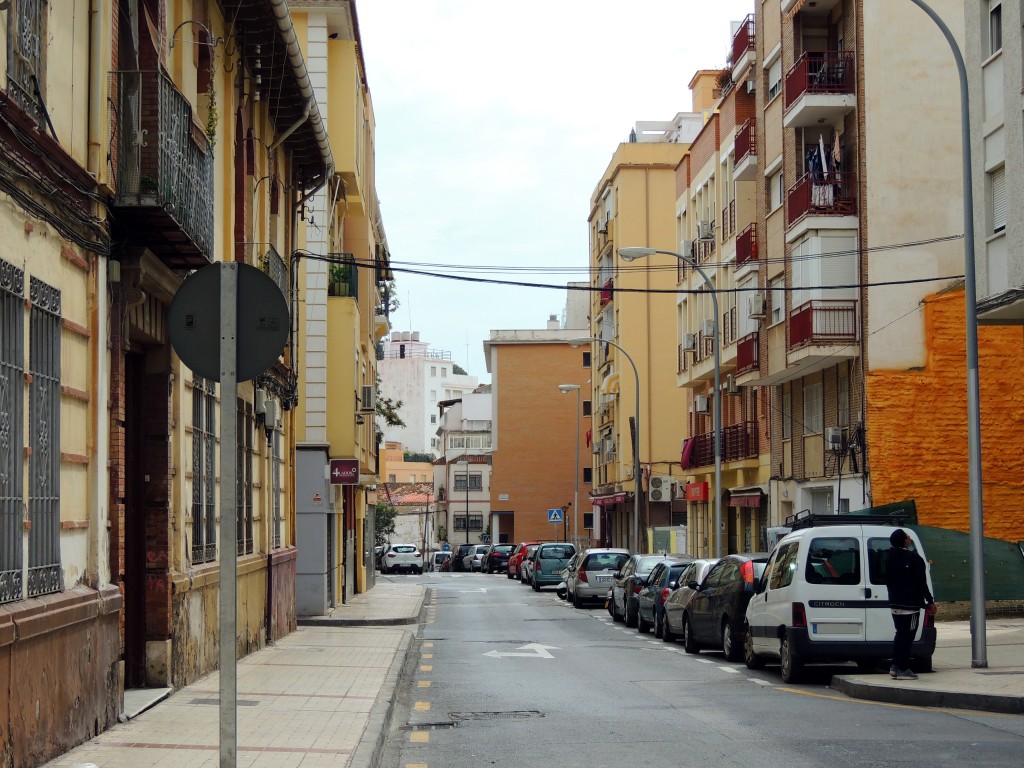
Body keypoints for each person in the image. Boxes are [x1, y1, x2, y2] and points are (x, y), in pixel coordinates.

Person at [884, 528, 936, 680]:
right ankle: (903, 667)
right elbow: (921, 583)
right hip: (910, 606)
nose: (910, 539)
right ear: (905, 541)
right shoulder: (914, 559)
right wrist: (929, 601)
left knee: (899, 634)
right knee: (908, 636)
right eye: (907, 537)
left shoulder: (889, 557)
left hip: (894, 603)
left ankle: (895, 665)